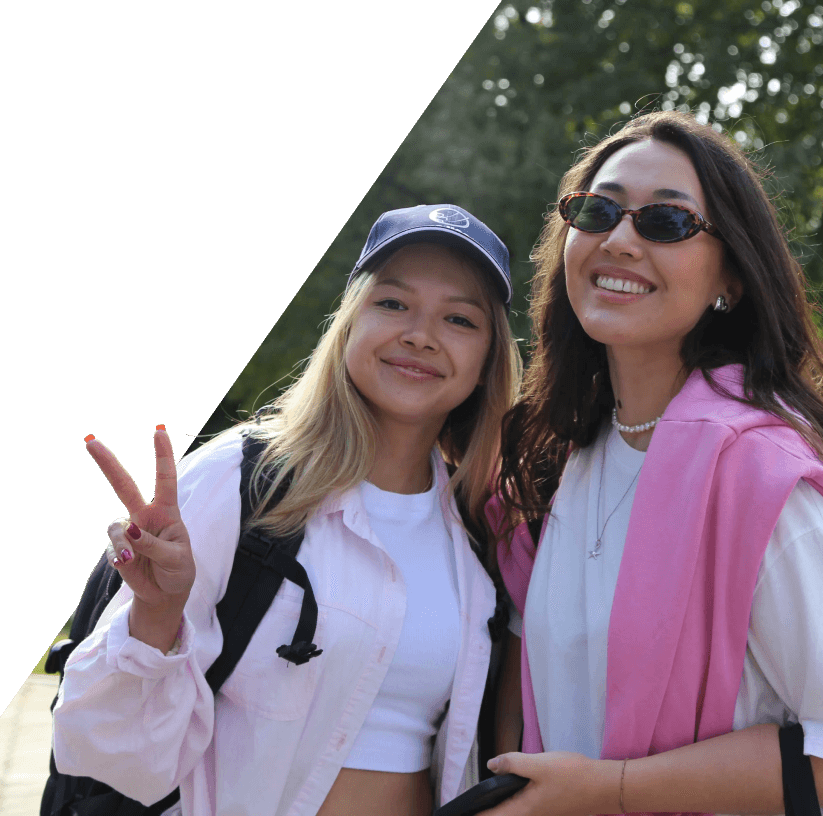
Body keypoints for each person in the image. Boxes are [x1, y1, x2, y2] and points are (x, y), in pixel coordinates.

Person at [483, 111, 823, 816]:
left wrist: (609, 792)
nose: (619, 239)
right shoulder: (558, 467)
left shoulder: (765, 482)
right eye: (598, 211)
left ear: (731, 279)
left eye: (667, 222)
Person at [52, 203, 523, 816]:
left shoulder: (483, 530)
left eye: (459, 318)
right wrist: (157, 616)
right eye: (392, 303)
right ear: (348, 324)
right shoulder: (241, 480)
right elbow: (103, 753)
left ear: (488, 360)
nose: (420, 335)